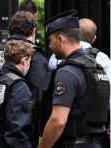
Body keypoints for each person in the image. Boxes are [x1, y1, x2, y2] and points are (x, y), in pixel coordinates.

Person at [38, 12, 110, 148]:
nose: (49, 46)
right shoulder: (97, 66)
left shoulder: (67, 71)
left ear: (60, 39)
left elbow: (58, 121)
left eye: (50, 41)